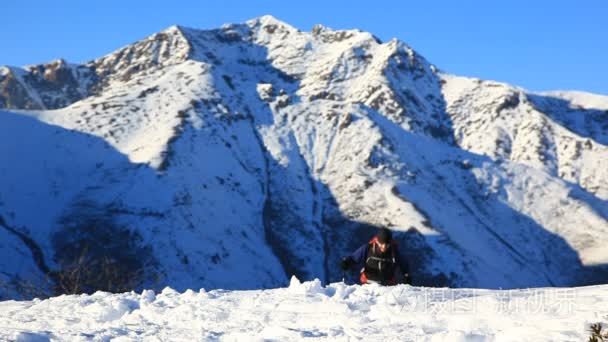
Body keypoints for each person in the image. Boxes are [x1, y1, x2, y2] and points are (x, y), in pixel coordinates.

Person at [340, 227, 410, 285]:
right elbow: (354, 258)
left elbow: (403, 264)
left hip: (387, 287)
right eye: (381, 243)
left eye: (387, 244)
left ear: (390, 242)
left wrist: (406, 276)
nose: (384, 246)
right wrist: (346, 262)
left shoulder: (394, 251)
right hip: (367, 285)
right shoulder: (367, 248)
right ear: (377, 241)